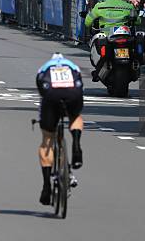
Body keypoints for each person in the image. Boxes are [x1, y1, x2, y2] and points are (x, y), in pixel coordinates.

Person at [36, 53, 84, 205]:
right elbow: (80, 84)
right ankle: (76, 143)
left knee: (47, 139)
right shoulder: (72, 66)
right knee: (75, 117)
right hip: (73, 92)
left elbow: (41, 92)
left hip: (51, 94)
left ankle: (46, 187)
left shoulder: (44, 68)